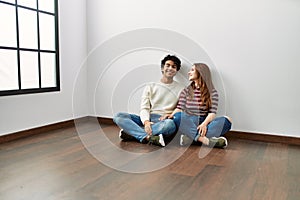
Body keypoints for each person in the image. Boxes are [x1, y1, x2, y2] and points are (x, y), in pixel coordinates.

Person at [113, 55, 184, 147]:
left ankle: (133, 133)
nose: (170, 68)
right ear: (162, 68)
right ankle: (147, 136)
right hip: (149, 118)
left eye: (174, 67)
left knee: (170, 125)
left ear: (176, 71)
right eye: (168, 65)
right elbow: (144, 108)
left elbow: (182, 109)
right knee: (118, 116)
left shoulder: (182, 89)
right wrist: (146, 122)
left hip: (164, 121)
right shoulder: (151, 86)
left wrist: (170, 116)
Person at [168, 63, 232, 148]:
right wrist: (170, 116)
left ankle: (190, 138)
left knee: (227, 121)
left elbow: (212, 113)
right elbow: (179, 108)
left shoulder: (213, 92)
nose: (189, 72)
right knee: (177, 116)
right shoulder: (186, 91)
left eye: (192, 70)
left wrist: (204, 124)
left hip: (203, 122)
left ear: (200, 72)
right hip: (189, 122)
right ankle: (204, 140)